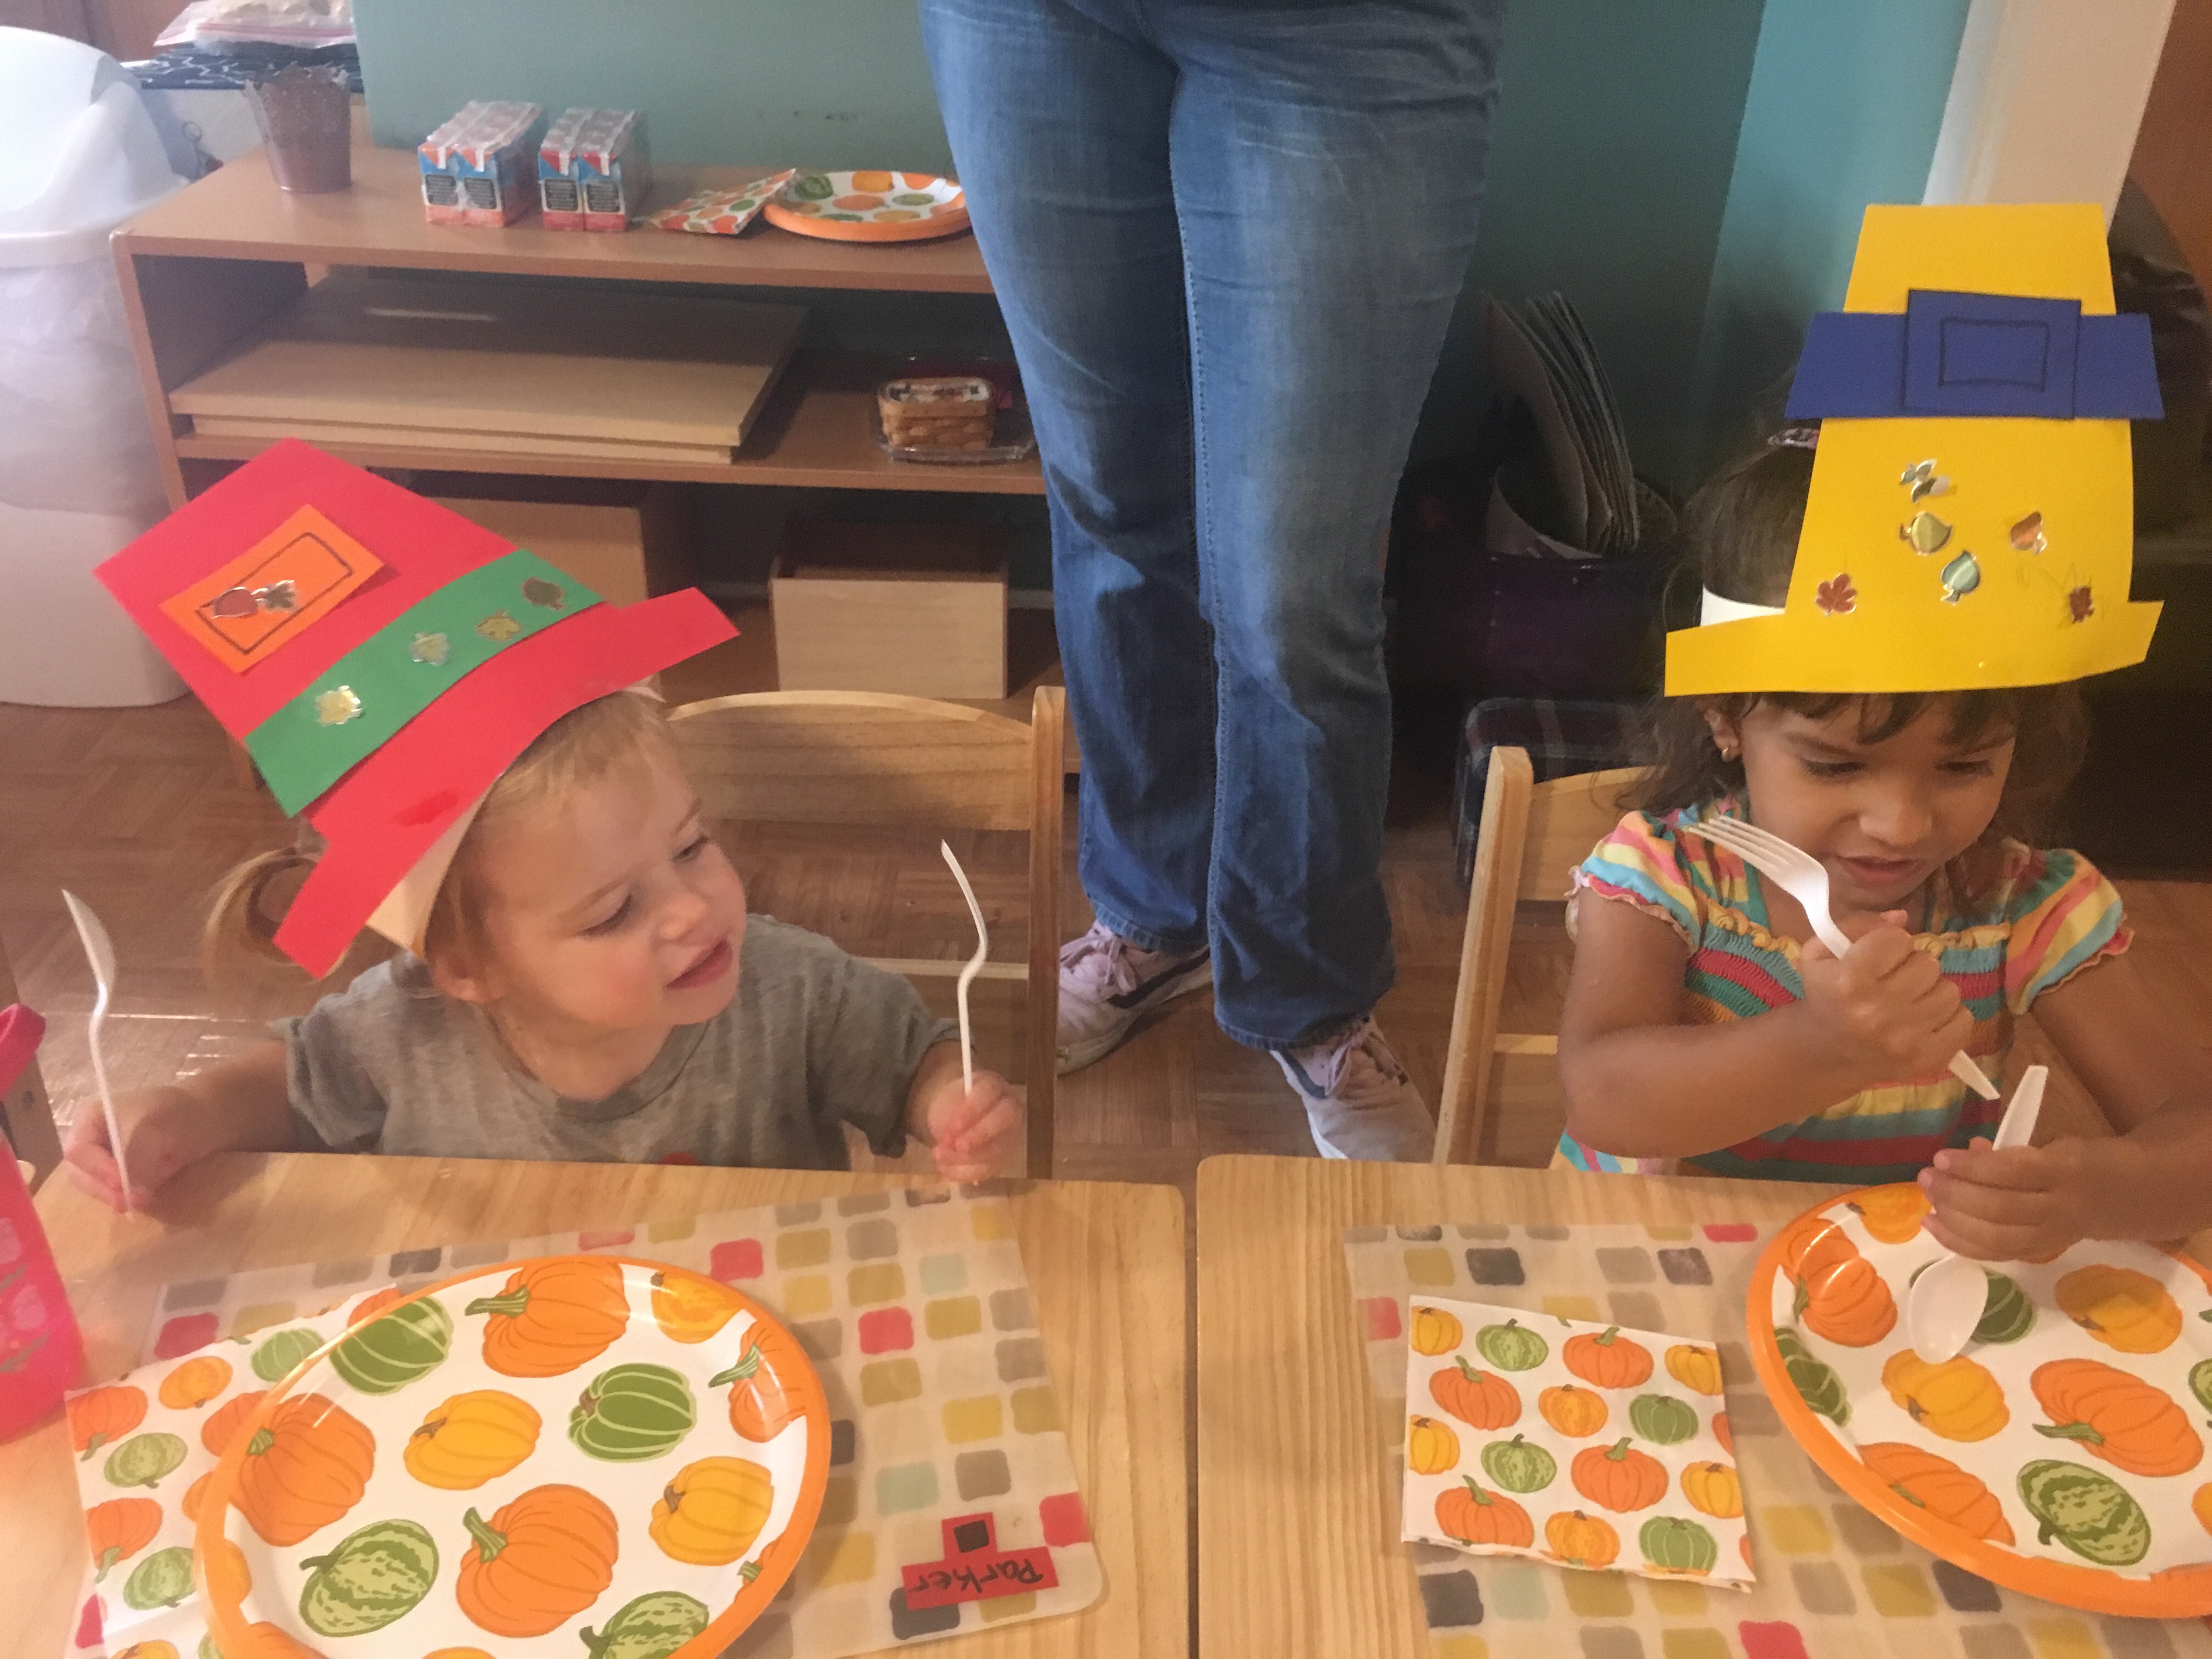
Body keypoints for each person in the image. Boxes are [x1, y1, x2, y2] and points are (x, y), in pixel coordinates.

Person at [64, 444, 1020, 1209]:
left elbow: (911, 1057)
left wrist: (952, 1101)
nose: (693, 908)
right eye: (613, 911)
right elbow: (292, 1086)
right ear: (468, 968)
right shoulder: (405, 1031)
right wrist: (186, 1112)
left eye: (691, 847)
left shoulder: (790, 990)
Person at [1556, 204, 2212, 1261]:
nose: (1901, 824)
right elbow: (1605, 1097)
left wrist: (2102, 1189)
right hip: (1654, 1273)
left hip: (1883, 1307)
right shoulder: (1667, 878)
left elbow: (2197, 1133)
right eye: (1833, 764)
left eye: (1965, 764)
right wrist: (1821, 1047)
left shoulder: (2022, 909)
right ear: (1726, 719)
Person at [917, 0, 1509, 1159]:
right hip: (1032, 21)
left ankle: (1312, 995)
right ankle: (1155, 916)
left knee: (1293, 583)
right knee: (1109, 504)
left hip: (1346, 32)